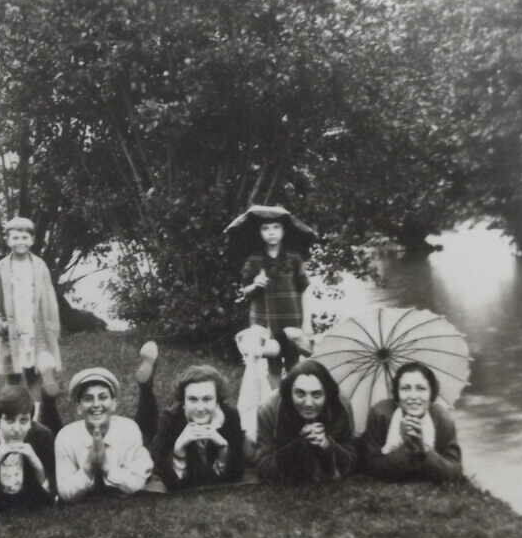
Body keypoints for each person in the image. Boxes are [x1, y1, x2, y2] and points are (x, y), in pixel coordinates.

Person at [134, 342, 245, 490]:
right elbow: (163, 475)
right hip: (154, 438)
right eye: (193, 399)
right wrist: (179, 449)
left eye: (207, 399)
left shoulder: (230, 416)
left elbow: (237, 473)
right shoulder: (170, 418)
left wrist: (223, 448)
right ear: (183, 402)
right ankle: (145, 388)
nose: (200, 408)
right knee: (146, 434)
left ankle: (146, 388)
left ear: (218, 401)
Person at [0, 353, 62, 511]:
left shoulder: (42, 436)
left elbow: (51, 499)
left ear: (31, 422)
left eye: (24, 421)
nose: (17, 429)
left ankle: (47, 394)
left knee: (54, 425)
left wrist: (37, 465)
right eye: (10, 421)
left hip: (41, 438)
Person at [0, 216, 63, 390]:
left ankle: (37, 411)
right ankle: (13, 409)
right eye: (15, 238)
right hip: (11, 330)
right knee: (12, 378)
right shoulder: (1, 268)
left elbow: (50, 300)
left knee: (36, 375)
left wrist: (52, 329)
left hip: (36, 330)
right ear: (8, 240)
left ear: (32, 240)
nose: (20, 242)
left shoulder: (40, 266)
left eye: (25, 238)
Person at [54, 367, 153, 502]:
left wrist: (107, 467)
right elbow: (65, 493)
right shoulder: (66, 437)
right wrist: (88, 467)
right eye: (88, 399)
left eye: (103, 397)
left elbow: (137, 484)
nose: (96, 404)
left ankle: (146, 385)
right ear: (79, 407)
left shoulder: (129, 430)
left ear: (113, 404)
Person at [237, 208, 312, 382]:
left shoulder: (294, 259)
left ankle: (291, 400)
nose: (271, 232)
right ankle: (275, 400)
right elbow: (245, 290)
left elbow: (304, 290)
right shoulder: (254, 260)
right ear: (259, 233)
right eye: (265, 228)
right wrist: (255, 284)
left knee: (294, 364)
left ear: (284, 231)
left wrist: (306, 323)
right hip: (265, 321)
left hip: (292, 320)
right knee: (273, 365)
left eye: (276, 227)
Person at [359, 361, 463, 482]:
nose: (413, 396)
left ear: (431, 394)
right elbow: (371, 468)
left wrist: (424, 449)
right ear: (397, 394)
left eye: (421, 389)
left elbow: (454, 472)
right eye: (405, 388)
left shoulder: (442, 418)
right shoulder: (380, 414)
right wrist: (406, 447)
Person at [255, 359, 356, 484]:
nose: (308, 403)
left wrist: (328, 445)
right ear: (289, 392)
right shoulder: (269, 409)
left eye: (317, 395)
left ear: (328, 394)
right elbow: (263, 467)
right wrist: (298, 445)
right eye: (300, 394)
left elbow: (352, 460)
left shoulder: (341, 405)